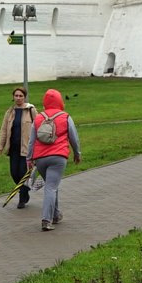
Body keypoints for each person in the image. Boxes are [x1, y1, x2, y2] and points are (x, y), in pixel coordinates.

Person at [30, 87, 81, 231]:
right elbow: (74, 137)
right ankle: (46, 220)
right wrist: (77, 153)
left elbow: (31, 141)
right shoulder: (65, 117)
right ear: (60, 101)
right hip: (58, 157)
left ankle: (56, 214)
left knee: (52, 185)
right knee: (51, 187)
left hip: (40, 158)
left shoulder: (39, 117)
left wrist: (29, 158)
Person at [0, 87, 34, 209]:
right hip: (13, 149)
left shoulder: (30, 110)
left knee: (22, 173)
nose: (18, 98)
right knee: (14, 173)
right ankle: (25, 190)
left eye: (20, 96)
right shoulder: (10, 112)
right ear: (13, 97)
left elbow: (37, 128)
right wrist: (0, 145)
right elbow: (3, 130)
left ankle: (22, 199)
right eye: (16, 96)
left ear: (24, 97)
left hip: (25, 149)